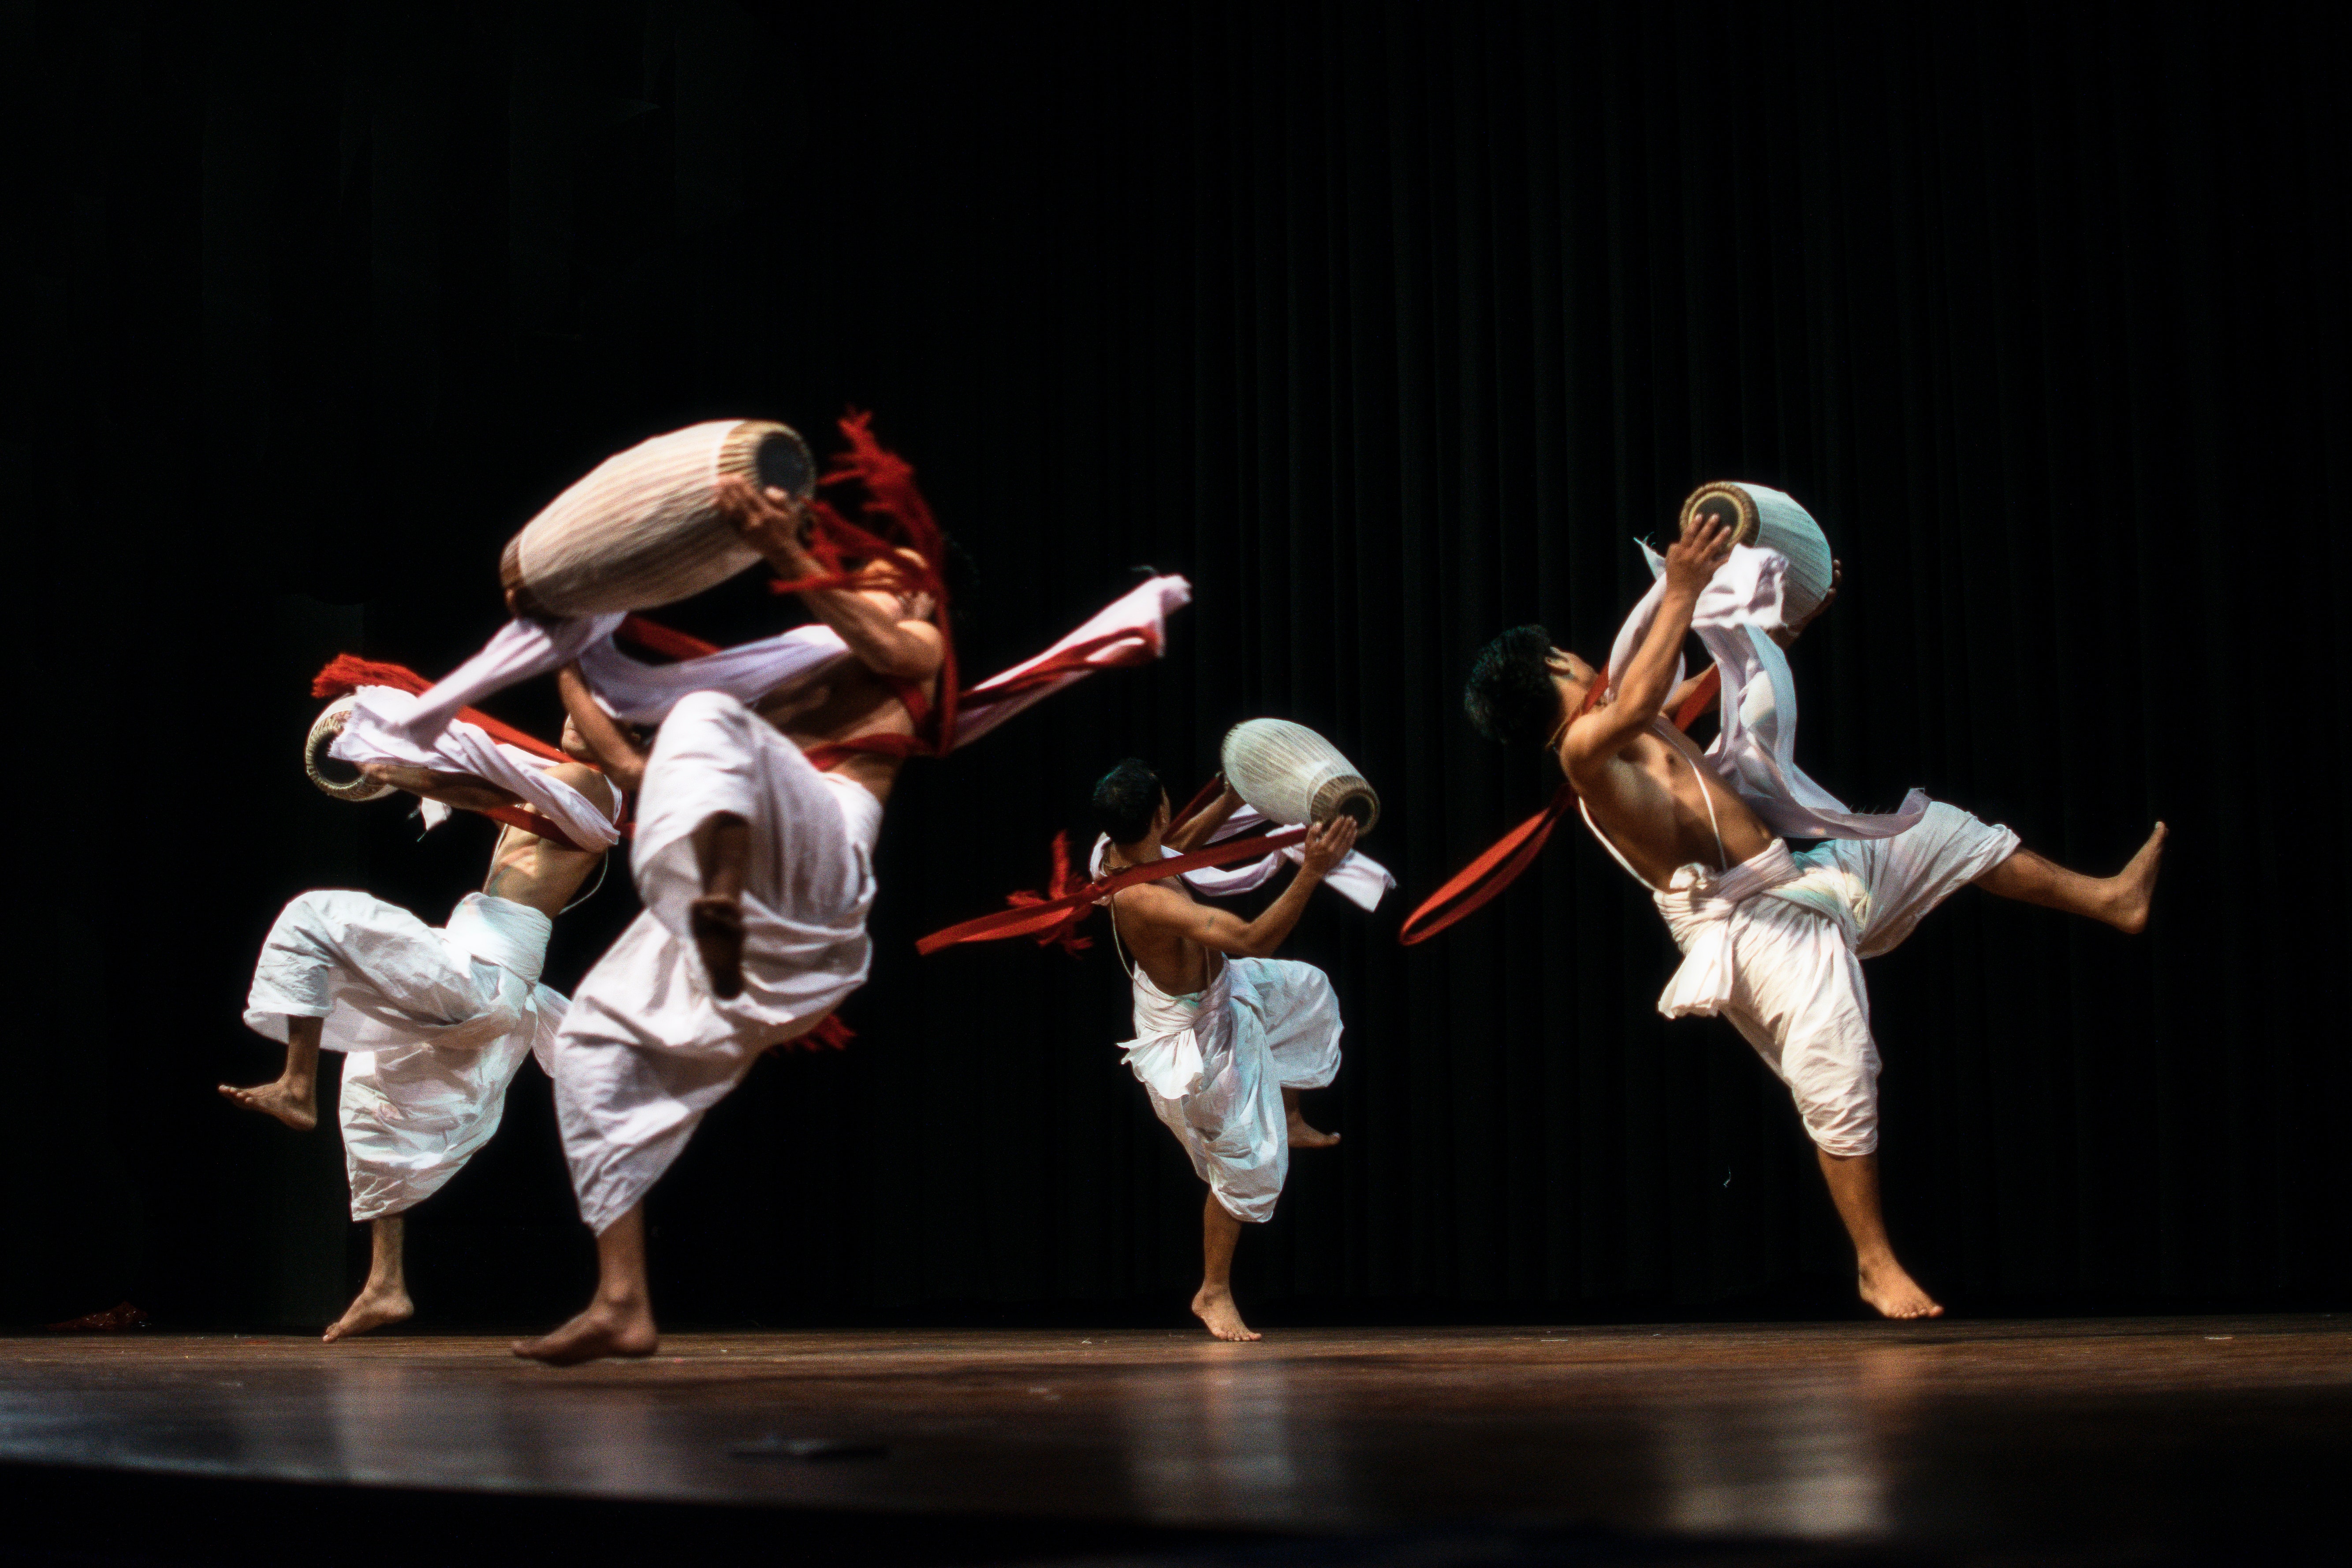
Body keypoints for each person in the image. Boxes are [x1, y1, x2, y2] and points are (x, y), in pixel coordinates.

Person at [1461, 508, 2164, 1319]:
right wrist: (1681, 586)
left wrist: (1787, 622)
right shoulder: (1586, 753)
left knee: (1945, 834)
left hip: (1803, 876)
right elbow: (1649, 685)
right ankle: (1875, 1264)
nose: (1582, 654)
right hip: (1751, 927)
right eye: (1564, 654)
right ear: (1551, 673)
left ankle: (2109, 899)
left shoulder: (1632, 722)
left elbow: (1716, 685)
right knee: (1838, 1063)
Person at [513, 481, 944, 1365]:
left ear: (924, 597)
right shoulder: (777, 687)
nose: (872, 586)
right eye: (862, 576)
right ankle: (623, 1299)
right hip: (759, 926)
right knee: (590, 1040)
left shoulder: (920, 648)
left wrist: (786, 552)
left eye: (888, 578)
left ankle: (717, 898)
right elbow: (632, 769)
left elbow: (881, 640)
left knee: (705, 718)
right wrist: (562, 656)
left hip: (821, 873)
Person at [223, 728, 616, 1341]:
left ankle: (297, 1083)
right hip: (482, 982)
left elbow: (480, 787)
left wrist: (393, 763)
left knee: (313, 916)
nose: (570, 710)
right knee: (374, 1089)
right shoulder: (563, 788)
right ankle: (385, 1284)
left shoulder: (587, 784)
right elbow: (493, 786)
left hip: (483, 977)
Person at [1091, 761, 1356, 1342]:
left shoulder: (1124, 848)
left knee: (1306, 991)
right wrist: (1311, 870)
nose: (1174, 812)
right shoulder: (1144, 900)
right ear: (1159, 810)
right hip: (1194, 1034)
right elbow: (1250, 935)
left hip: (1219, 987)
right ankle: (1213, 1290)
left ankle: (1289, 1113)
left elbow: (1180, 844)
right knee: (1247, 1164)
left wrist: (1231, 793)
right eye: (1170, 801)